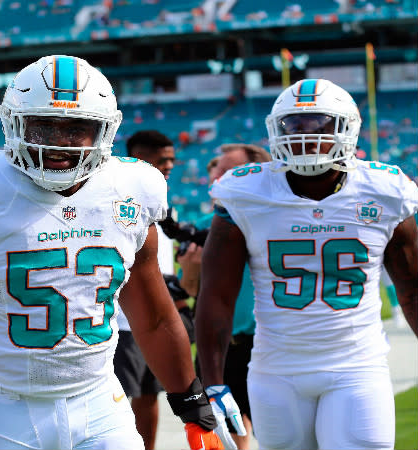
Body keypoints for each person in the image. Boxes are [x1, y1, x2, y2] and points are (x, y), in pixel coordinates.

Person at [0, 55, 230, 450]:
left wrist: (187, 395)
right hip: (0, 407)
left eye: (76, 128)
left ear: (103, 132)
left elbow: (154, 318)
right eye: (44, 125)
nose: (58, 141)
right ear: (14, 123)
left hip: (101, 401)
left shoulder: (131, 190)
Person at [196, 78, 418, 450]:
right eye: (294, 126)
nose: (305, 135)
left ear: (346, 129)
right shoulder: (246, 193)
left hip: (357, 366)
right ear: (275, 130)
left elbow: (413, 291)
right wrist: (212, 383)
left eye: (319, 125)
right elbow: (216, 296)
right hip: (276, 370)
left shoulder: (385, 191)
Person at [192, 143, 272, 450]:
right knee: (224, 432)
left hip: (262, 342)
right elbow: (192, 292)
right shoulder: (207, 225)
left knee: (278, 432)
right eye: (216, 170)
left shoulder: (275, 221)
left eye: (228, 170)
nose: (218, 176)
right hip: (219, 344)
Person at [113, 130, 177, 450]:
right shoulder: (119, 198)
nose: (169, 166)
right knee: (119, 396)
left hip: (156, 313)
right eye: (161, 159)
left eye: (171, 159)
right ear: (139, 158)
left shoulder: (162, 201)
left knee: (150, 393)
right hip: (124, 320)